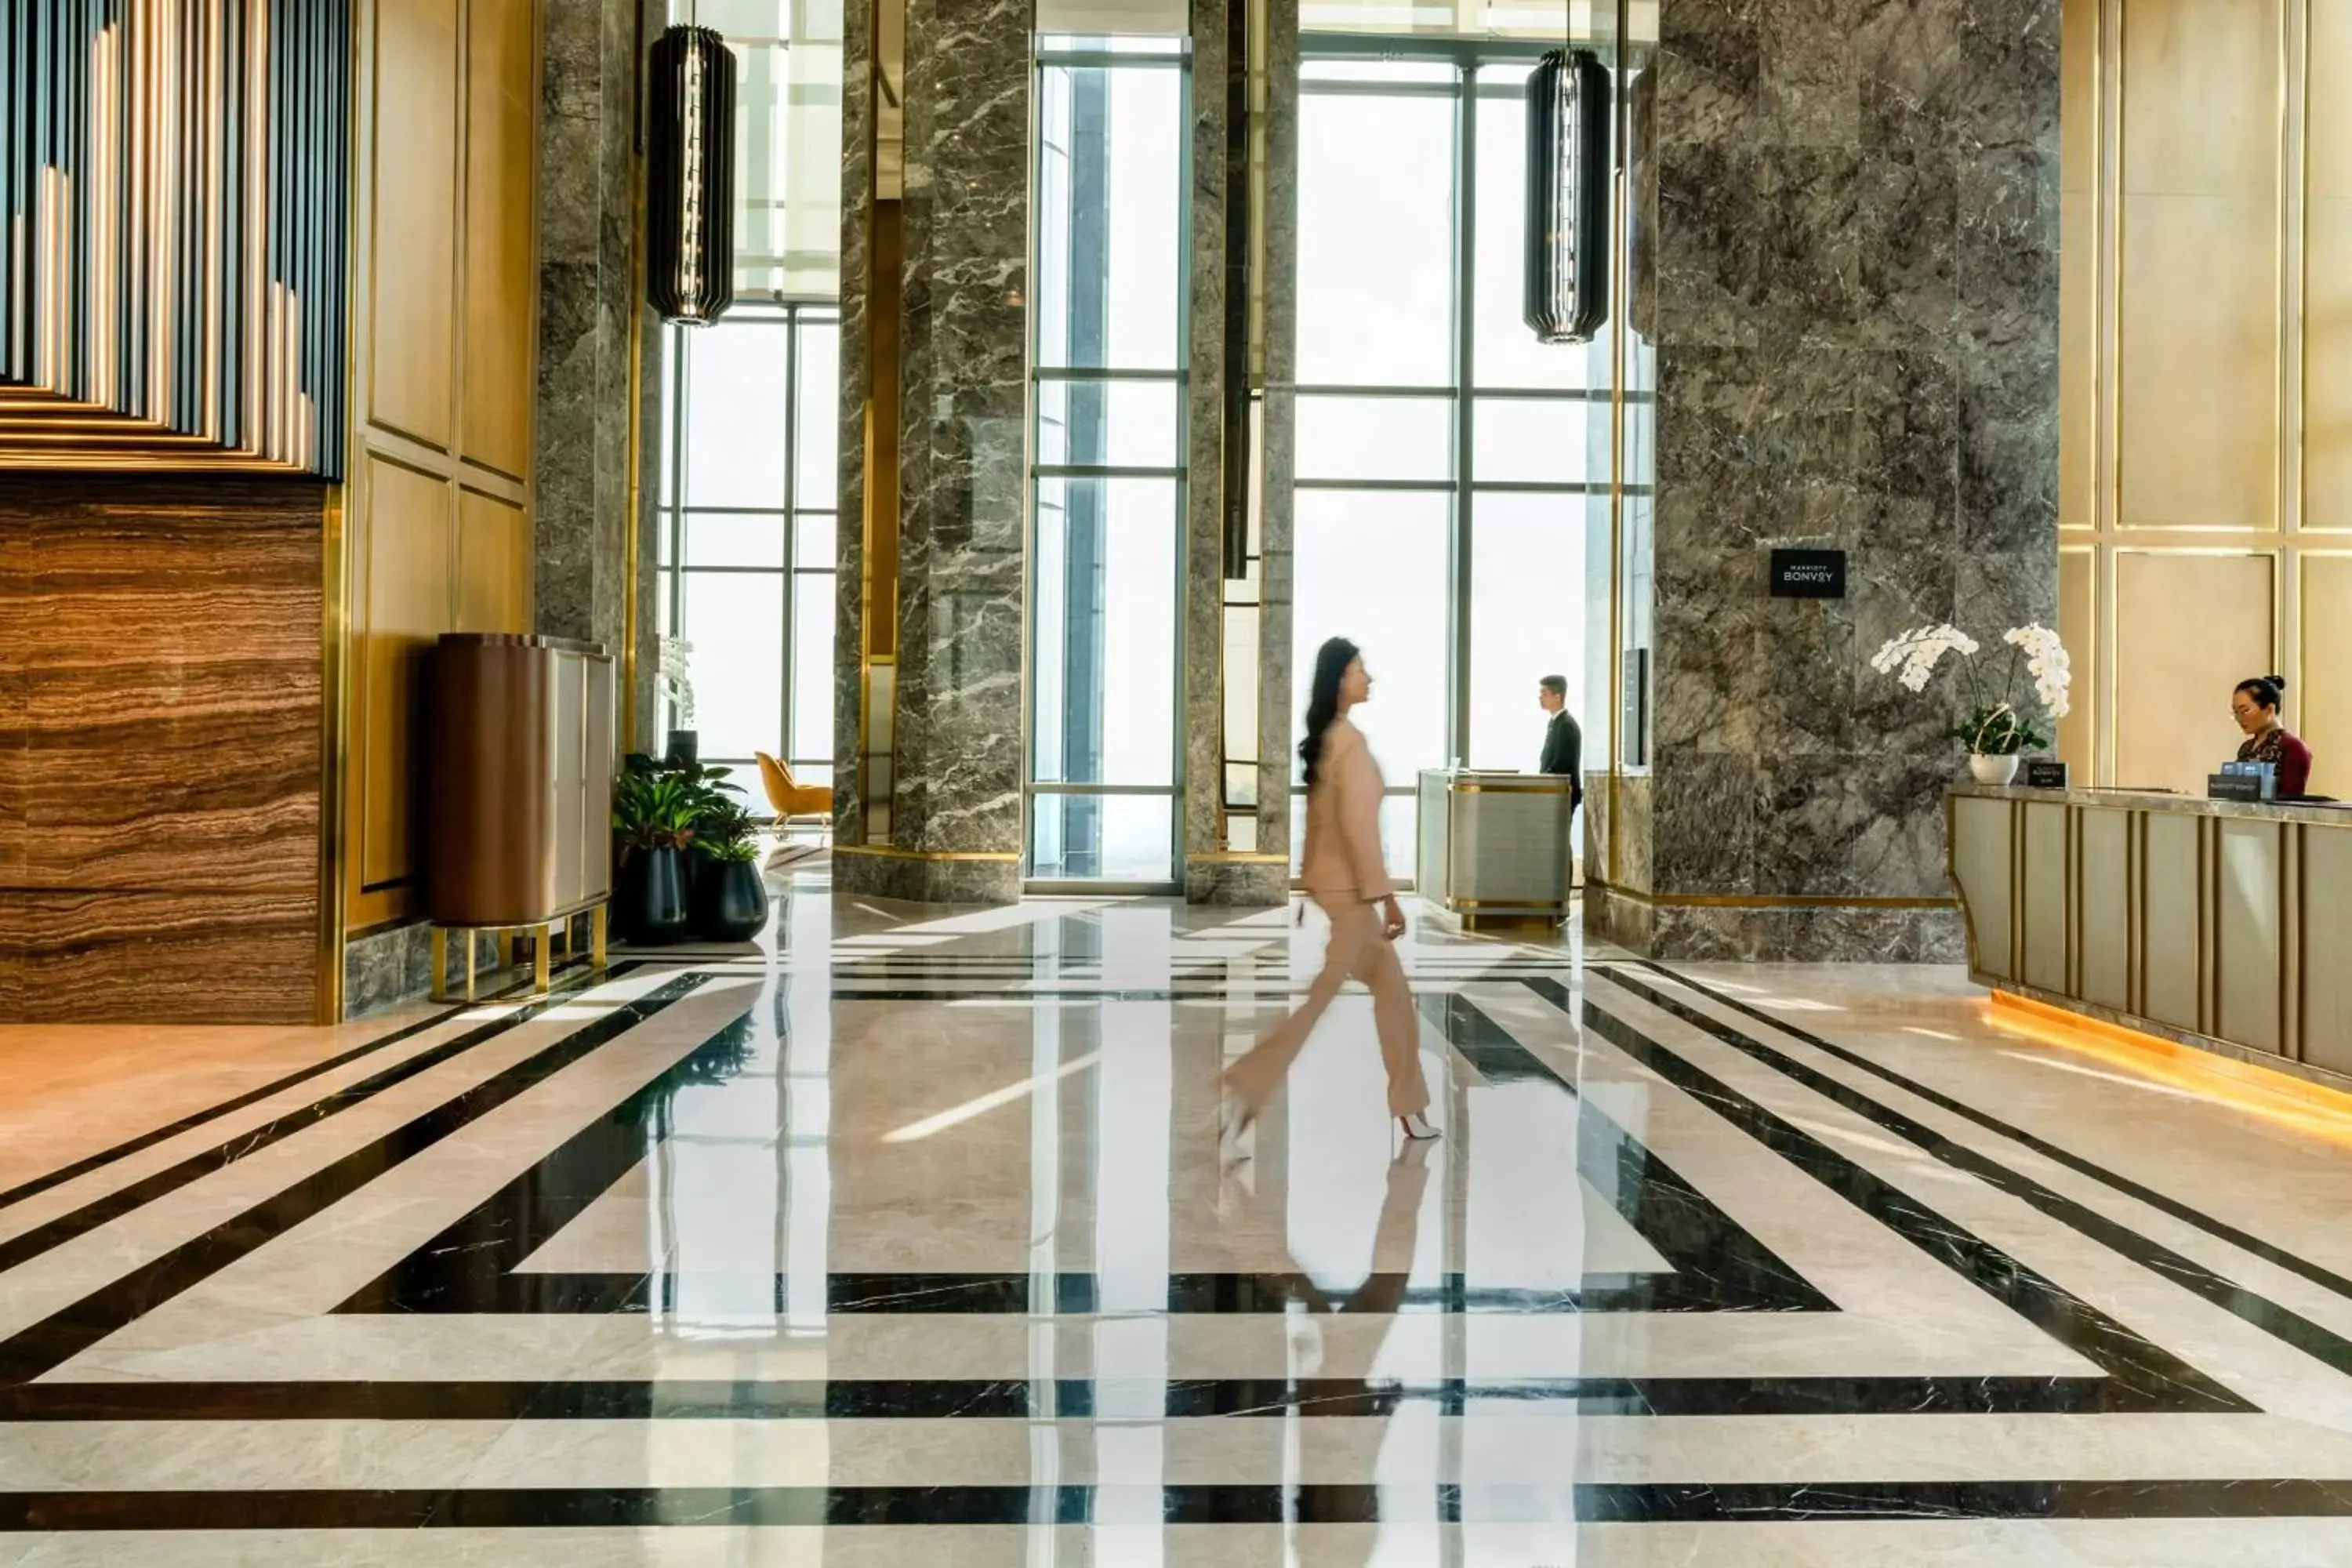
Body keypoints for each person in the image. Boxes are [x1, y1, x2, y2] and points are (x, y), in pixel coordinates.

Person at [1219, 637, 1439, 1156]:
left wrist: (1315, 883)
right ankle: (1249, 1082)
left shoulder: (1329, 740)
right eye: (1361, 669)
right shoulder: (1349, 743)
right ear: (1341, 678)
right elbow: (1357, 829)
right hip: (1355, 899)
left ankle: (1410, 1105)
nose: (1370, 677)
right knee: (1331, 1003)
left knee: (1393, 1003)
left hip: (1341, 892)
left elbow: (1323, 826)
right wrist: (1385, 899)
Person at [2233, 675, 2314, 798]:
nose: (2239, 718)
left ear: (2270, 709)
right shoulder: (2246, 747)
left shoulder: (2293, 747)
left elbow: (2291, 801)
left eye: (2245, 711)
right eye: (2236, 712)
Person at [1537, 674, 1584, 810]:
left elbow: (1562, 764)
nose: (1540, 698)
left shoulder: (1566, 725)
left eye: (1545, 694)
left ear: (1557, 697)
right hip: (1554, 792)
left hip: (1562, 794)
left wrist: (1542, 782)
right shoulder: (1556, 723)